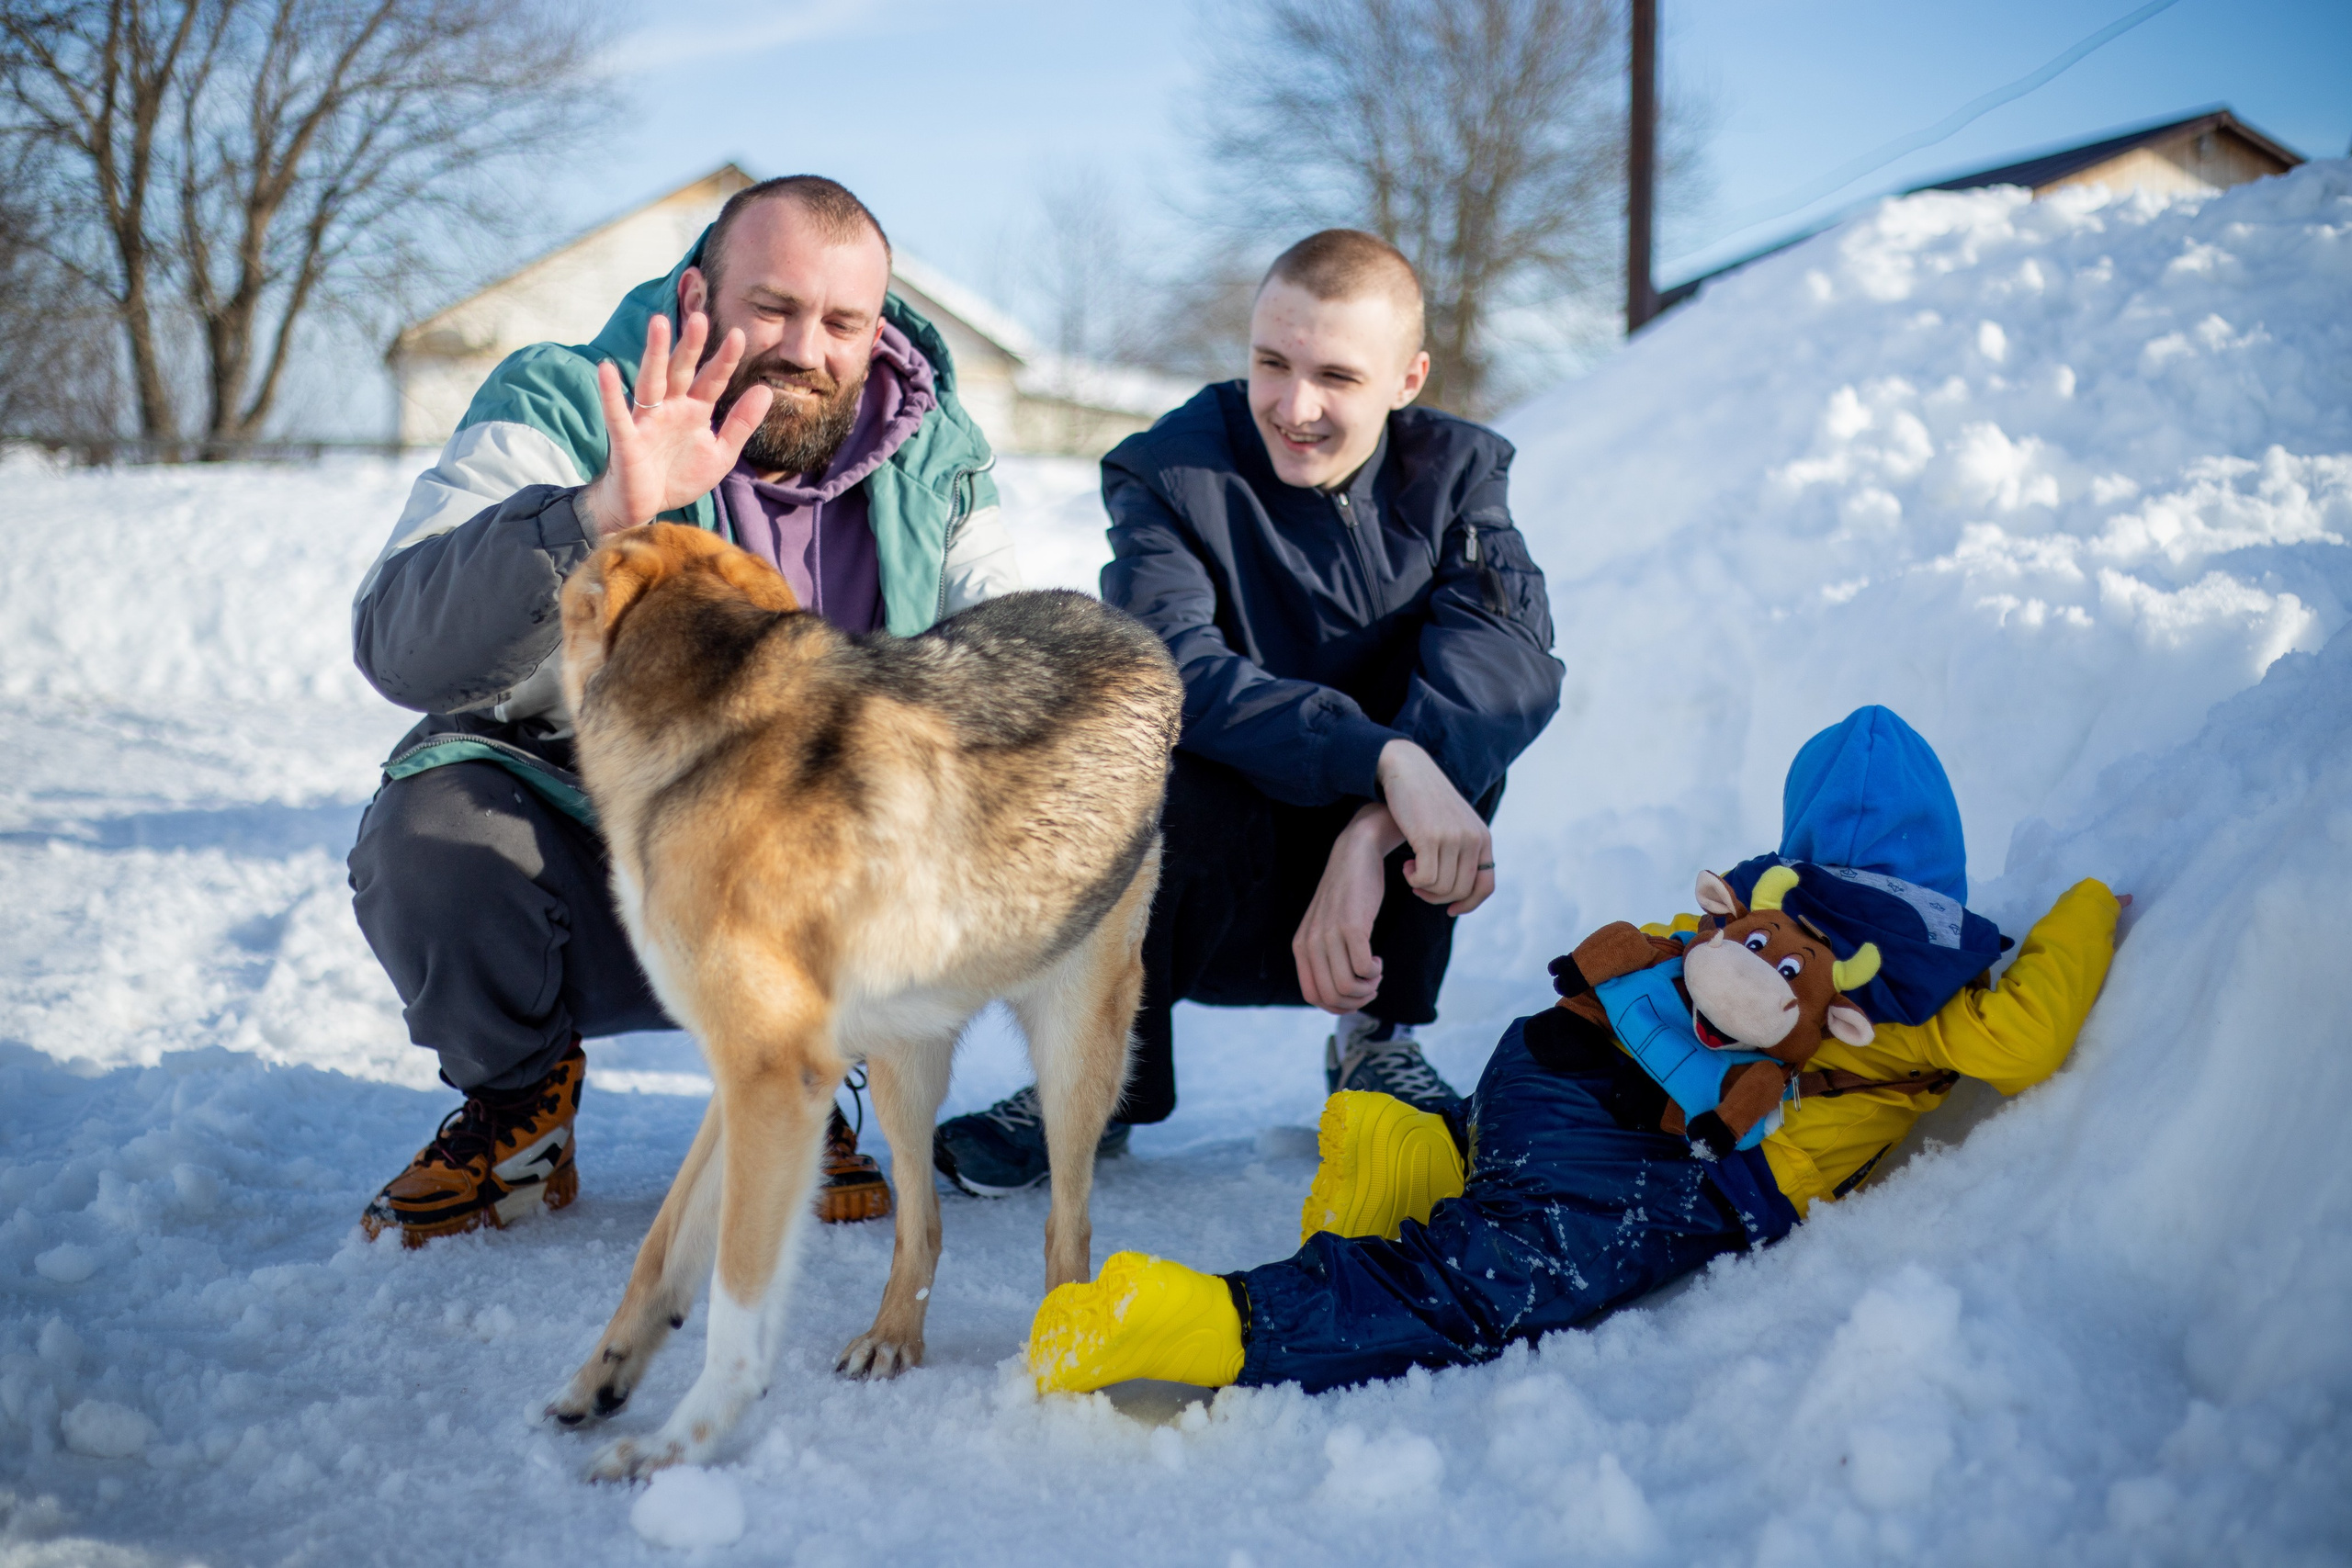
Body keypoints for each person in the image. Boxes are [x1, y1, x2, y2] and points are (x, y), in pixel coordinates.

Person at [1023, 716, 2125, 1394]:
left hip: (1547, 1062)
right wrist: (2083, 902)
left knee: (1511, 1189)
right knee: (1485, 1283)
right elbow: (2029, 1033)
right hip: (1673, 1154)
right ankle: (1209, 1322)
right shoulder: (1913, 987)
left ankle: (1425, 1153)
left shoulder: (1751, 911)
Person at [347, 175, 1017, 1246]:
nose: (809, 348)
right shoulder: (575, 401)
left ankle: (804, 1072)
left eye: (844, 320)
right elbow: (401, 639)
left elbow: (1008, 632)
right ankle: (519, 1100)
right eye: (774, 307)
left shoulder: (932, 451)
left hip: (813, 867)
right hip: (599, 837)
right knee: (436, 826)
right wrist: (595, 512)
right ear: (701, 290)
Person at [932, 230, 1564, 1196]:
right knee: (1133, 751)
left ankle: (1375, 1036)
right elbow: (1173, 664)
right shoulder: (1172, 471)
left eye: (1337, 377)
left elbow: (1510, 657)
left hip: (1371, 856)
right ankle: (1106, 1071)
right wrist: (1383, 763)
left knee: (1466, 741)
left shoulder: (1457, 478)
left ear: (1407, 379)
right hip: (1219, 829)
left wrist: (1377, 820)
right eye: (1272, 363)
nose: (1294, 407)